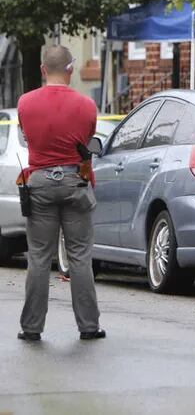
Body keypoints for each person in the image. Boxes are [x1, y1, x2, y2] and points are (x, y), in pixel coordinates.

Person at [16, 45, 105, 341]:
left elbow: (27, 137)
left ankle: (32, 328)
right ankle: (89, 326)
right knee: (79, 256)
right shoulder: (86, 106)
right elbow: (87, 140)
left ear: (43, 70)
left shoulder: (25, 103)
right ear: (70, 69)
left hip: (40, 182)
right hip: (75, 182)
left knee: (39, 257)